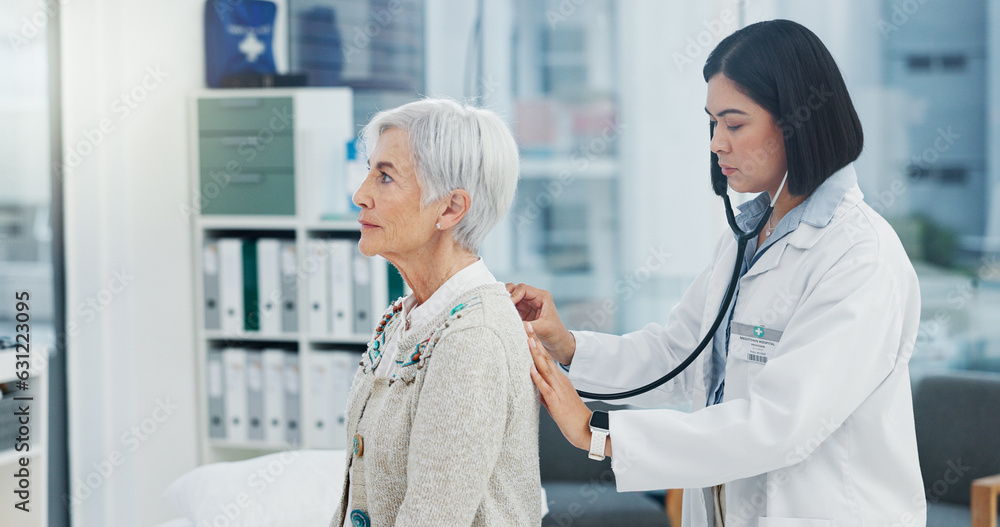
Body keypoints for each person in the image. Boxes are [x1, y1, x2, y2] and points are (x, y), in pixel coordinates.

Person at [508, 19, 925, 527]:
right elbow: (678, 355)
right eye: (712, 124)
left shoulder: (860, 255)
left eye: (735, 123)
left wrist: (601, 435)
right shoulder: (746, 238)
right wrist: (566, 344)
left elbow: (783, 424)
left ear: (797, 121)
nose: (716, 144)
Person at [331, 98, 541, 527]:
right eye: (370, 171)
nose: (360, 195)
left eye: (385, 177)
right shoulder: (403, 319)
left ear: (450, 209)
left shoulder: (472, 339)